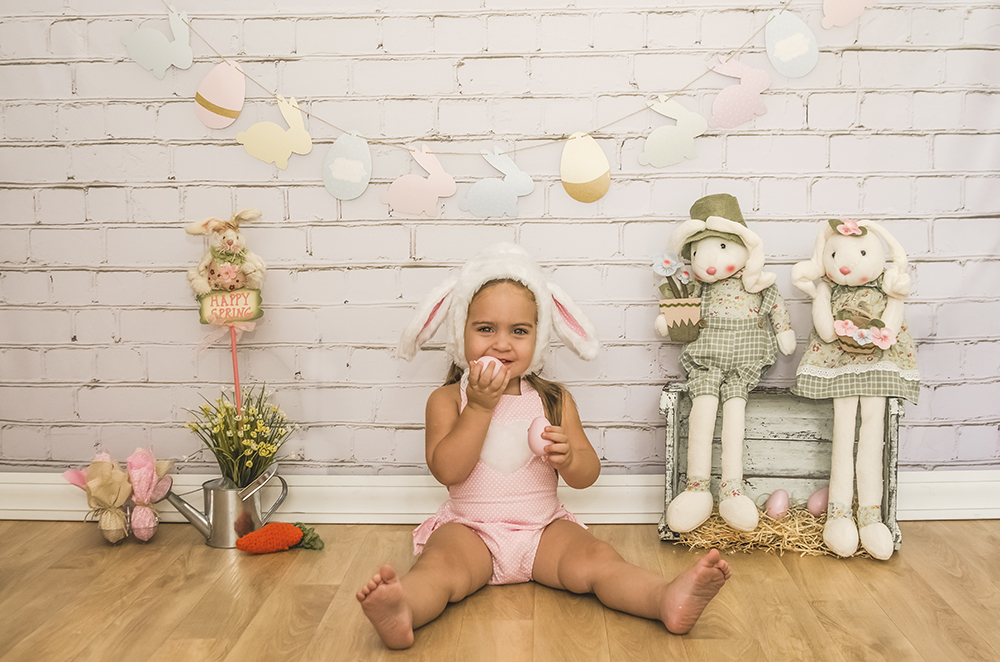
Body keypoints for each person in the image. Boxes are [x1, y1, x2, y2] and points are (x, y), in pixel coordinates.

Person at [357, 244, 730, 649]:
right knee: (440, 567)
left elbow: (588, 474)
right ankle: (403, 608)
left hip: (544, 531)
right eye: (485, 329)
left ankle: (663, 598)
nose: (502, 344)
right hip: (471, 531)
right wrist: (479, 407)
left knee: (598, 559)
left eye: (519, 331)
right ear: (458, 333)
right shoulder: (448, 400)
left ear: (540, 336)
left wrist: (569, 458)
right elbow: (448, 471)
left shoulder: (553, 399)